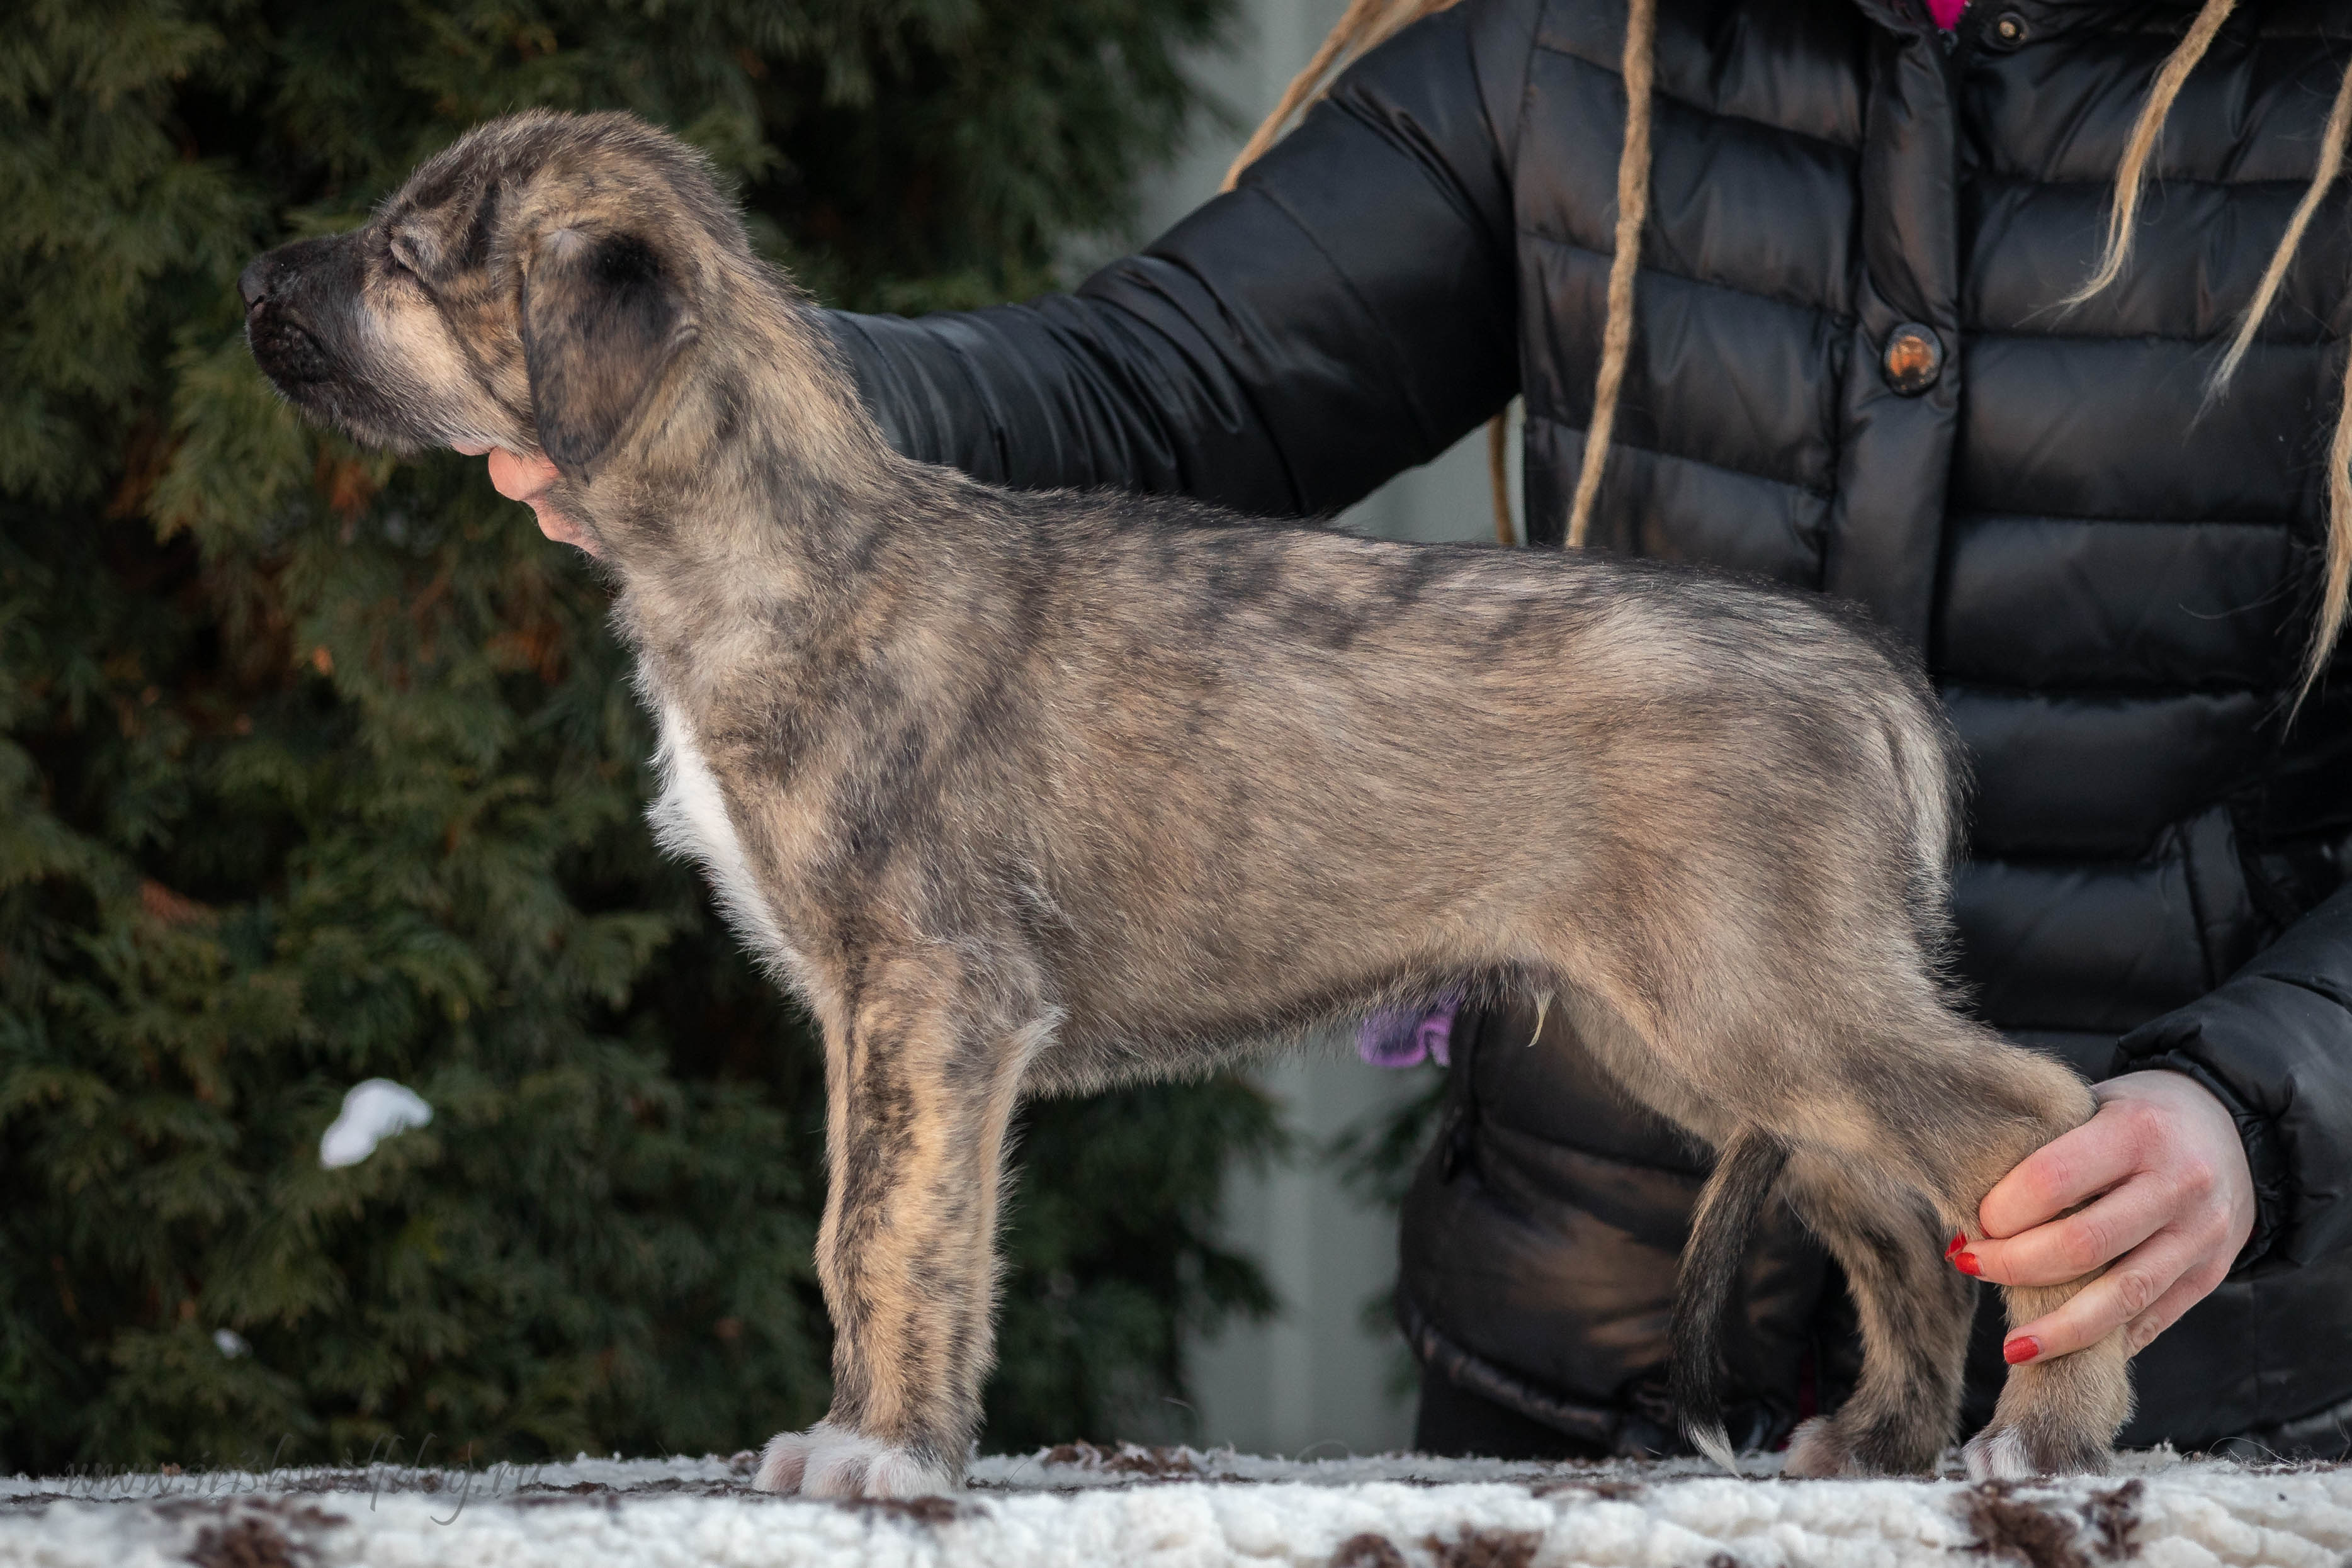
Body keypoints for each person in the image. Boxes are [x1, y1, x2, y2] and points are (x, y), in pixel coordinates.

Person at [493, 0, 2352, 1459]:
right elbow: (1162, 384)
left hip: (2229, 1403)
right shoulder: (1575, 42)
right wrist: (722, 401)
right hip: (1574, 1374)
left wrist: (2267, 1103)